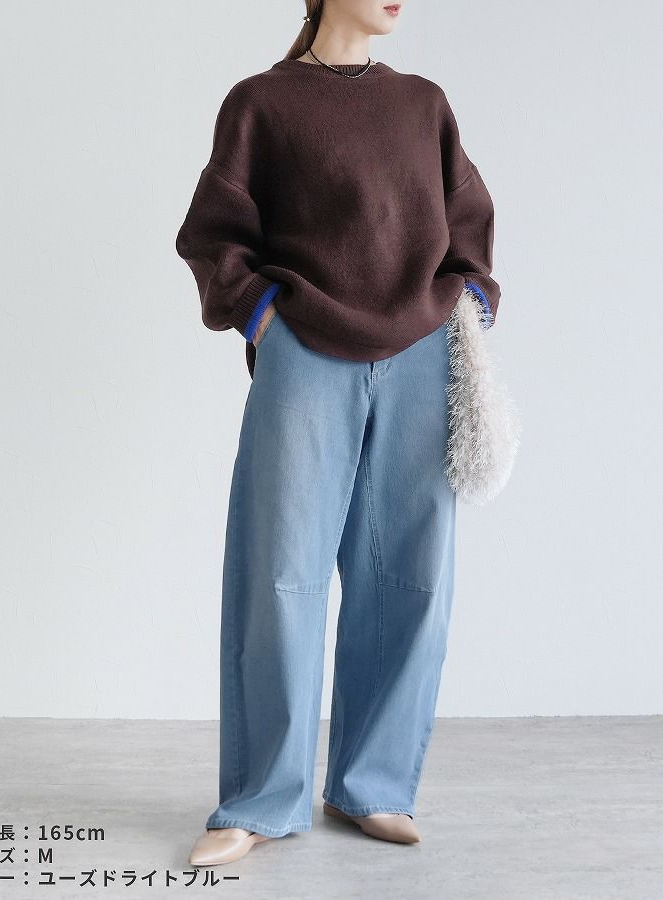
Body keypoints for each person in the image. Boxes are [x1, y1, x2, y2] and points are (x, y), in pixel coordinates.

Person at [175, 0, 500, 866]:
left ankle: (374, 785)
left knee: (411, 575)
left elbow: (469, 219)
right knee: (279, 574)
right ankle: (259, 797)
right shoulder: (261, 103)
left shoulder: (423, 103)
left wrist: (469, 299)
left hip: (423, 355)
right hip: (305, 352)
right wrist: (262, 316)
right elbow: (213, 236)